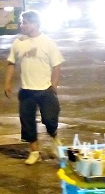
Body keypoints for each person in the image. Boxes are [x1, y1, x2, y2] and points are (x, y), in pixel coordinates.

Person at [4, 10, 64, 165]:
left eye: (26, 22)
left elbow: (57, 65)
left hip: (45, 89)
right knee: (28, 122)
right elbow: (11, 63)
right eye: (22, 22)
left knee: (50, 119)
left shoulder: (48, 42)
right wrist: (7, 82)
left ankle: (55, 141)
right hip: (26, 90)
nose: (22, 25)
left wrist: (53, 86)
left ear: (36, 24)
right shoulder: (18, 42)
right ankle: (34, 152)